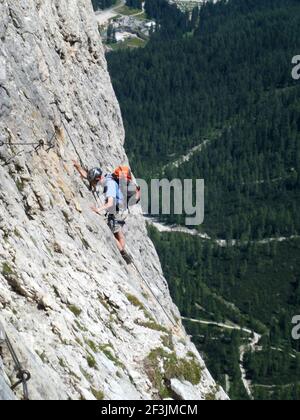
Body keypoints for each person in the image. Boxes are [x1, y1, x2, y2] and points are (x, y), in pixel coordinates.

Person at [73, 161, 133, 264]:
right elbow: (88, 176)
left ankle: (123, 254)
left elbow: (110, 203)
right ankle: (122, 251)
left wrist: (97, 209)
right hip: (121, 208)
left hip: (117, 211)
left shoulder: (110, 184)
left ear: (97, 179)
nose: (92, 184)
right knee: (118, 232)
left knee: (112, 233)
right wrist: (77, 166)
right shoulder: (105, 177)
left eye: (93, 182)